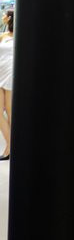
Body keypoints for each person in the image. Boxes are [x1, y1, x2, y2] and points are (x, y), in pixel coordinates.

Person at [0, 8, 13, 160]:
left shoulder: (21, 35)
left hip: (11, 73)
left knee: (10, 112)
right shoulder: (3, 35)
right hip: (0, 71)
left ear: (10, 18)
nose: (3, 16)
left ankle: (10, 148)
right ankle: (11, 145)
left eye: (5, 15)